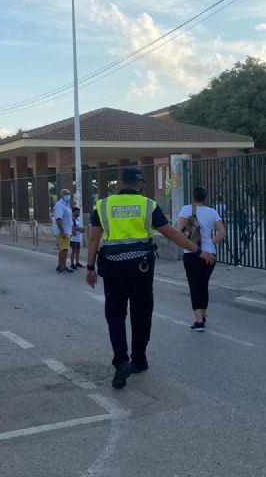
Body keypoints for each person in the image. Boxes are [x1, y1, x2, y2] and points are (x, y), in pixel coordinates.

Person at [86, 166, 215, 389]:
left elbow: (94, 239)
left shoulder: (103, 205)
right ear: (140, 184)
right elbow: (172, 233)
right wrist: (197, 250)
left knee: (115, 315)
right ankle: (138, 359)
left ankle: (121, 360)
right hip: (141, 268)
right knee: (141, 313)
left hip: (113, 267)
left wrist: (89, 267)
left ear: (121, 183)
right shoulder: (148, 205)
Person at [178, 186, 226, 331]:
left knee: (194, 286)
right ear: (205, 197)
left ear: (193, 196)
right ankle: (203, 314)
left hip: (191, 253)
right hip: (210, 254)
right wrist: (210, 243)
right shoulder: (212, 212)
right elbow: (222, 233)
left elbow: (180, 232)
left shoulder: (186, 210)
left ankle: (199, 321)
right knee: (203, 284)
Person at [53, 189, 74, 274]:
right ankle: (62, 267)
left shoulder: (66, 204)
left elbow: (68, 219)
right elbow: (58, 219)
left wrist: (72, 229)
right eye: (66, 194)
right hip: (63, 231)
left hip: (67, 230)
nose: (68, 195)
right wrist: (62, 232)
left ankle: (61, 265)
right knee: (63, 249)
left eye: (68, 194)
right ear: (61, 195)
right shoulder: (59, 205)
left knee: (64, 249)